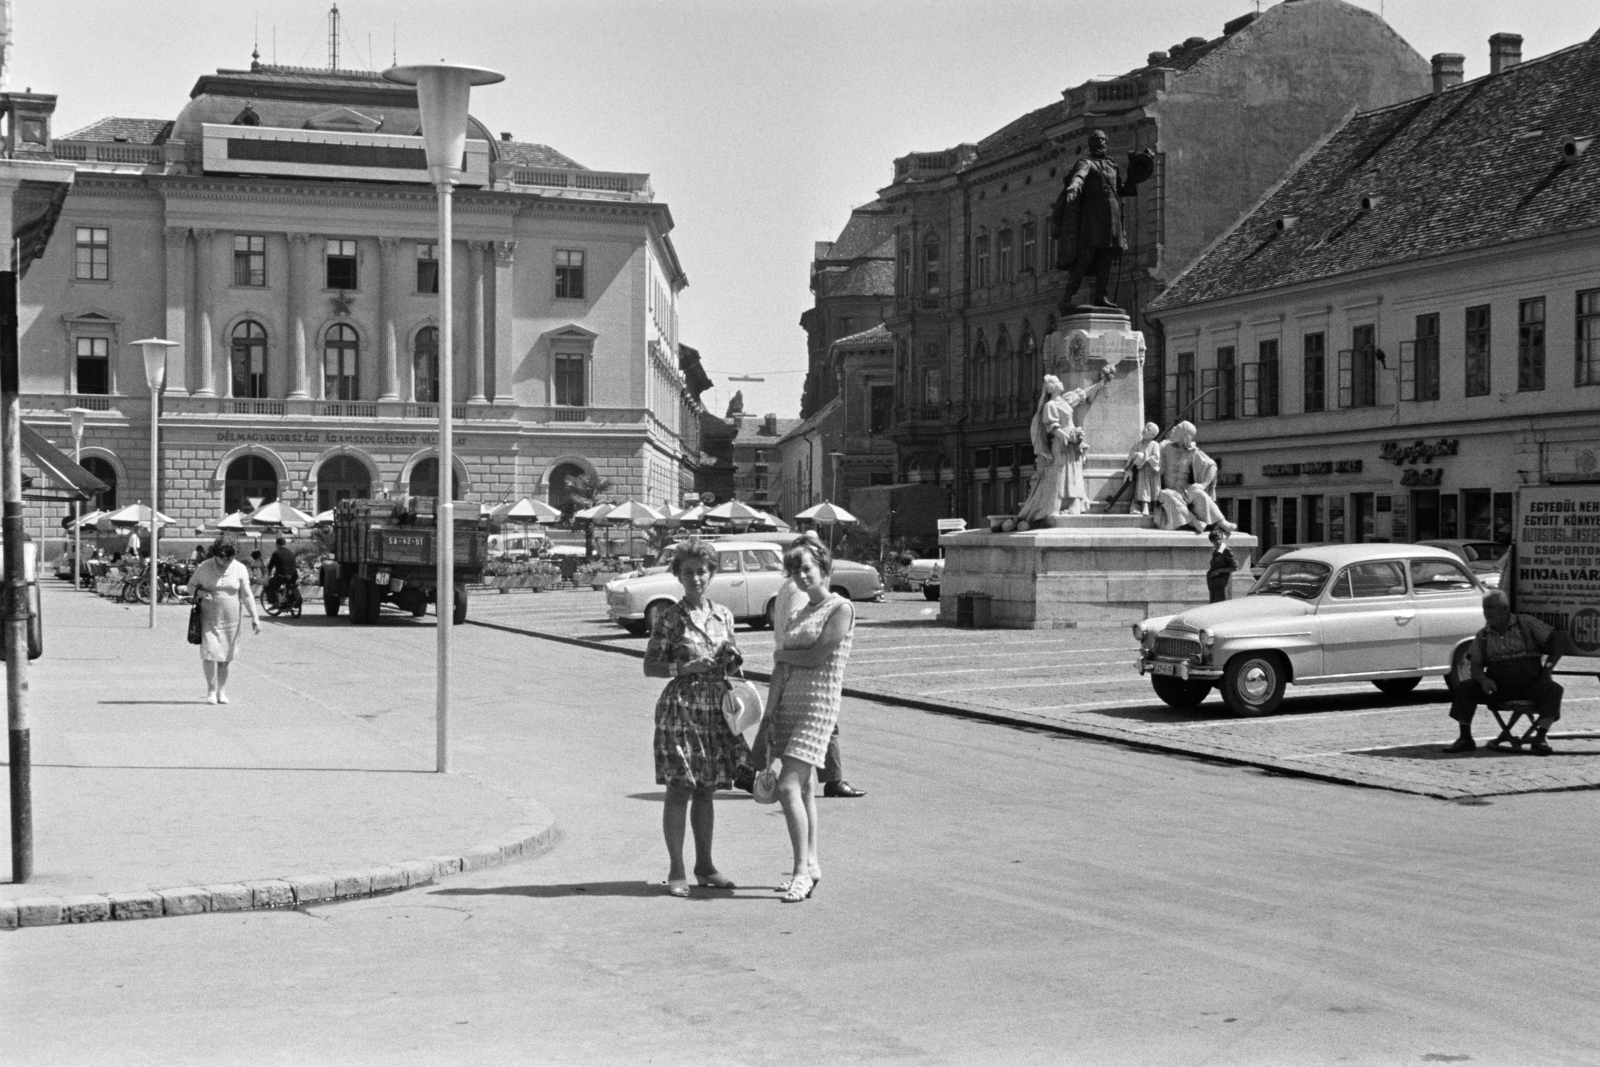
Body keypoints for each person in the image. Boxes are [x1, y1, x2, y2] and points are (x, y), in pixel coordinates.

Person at [643, 538, 749, 897]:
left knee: (706, 790)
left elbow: (731, 664)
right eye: (688, 572)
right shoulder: (670, 618)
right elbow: (650, 666)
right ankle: (676, 869)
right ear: (678, 575)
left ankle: (705, 866)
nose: (696, 578)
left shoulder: (724, 615)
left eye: (702, 571)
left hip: (715, 709)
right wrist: (685, 667)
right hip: (681, 710)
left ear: (711, 573)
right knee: (679, 788)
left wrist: (731, 661)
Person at [763, 532, 856, 903]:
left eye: (806, 569)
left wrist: (782, 655)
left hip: (818, 706)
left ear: (823, 567)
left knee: (787, 787)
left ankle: (800, 871)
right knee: (803, 790)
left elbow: (818, 656)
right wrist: (769, 715)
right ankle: (812, 864)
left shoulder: (841, 608)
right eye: (794, 571)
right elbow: (780, 668)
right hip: (789, 704)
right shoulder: (799, 612)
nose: (801, 577)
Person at [747, 575, 865, 799]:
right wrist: (785, 655)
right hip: (798, 671)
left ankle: (751, 770)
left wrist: (783, 655)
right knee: (793, 775)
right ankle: (832, 780)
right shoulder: (801, 590)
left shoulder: (790, 587)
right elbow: (804, 634)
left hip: (794, 668)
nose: (802, 573)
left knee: (792, 732)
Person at [1446, 590, 1567, 755]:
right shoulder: (1483, 635)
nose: (1486, 612)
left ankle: (1540, 738)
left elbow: (1557, 639)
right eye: (1484, 608)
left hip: (1530, 685)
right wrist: (1483, 680)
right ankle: (1465, 738)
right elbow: (1475, 666)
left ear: (1504, 608)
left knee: (1554, 690)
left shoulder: (1525, 623)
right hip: (1499, 687)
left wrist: (1548, 668)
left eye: (1491, 607)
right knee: (1464, 688)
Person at [1051, 128, 1154, 311]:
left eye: (1103, 141)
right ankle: (1067, 296)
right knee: (1085, 257)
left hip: (1112, 218)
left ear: (1106, 143)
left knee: (1106, 259)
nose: (1100, 144)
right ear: (1091, 145)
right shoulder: (1086, 163)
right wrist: (1074, 186)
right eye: (1097, 141)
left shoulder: (1111, 165)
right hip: (1093, 219)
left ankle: (1101, 296)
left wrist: (1134, 175)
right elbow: (1079, 176)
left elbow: (1122, 189)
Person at [1015, 369, 1112, 524]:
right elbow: (1051, 427)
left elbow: (1082, 395)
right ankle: (1055, 506)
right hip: (1061, 442)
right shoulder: (1050, 405)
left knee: (1073, 473)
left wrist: (1099, 385)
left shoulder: (1065, 401)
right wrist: (1065, 436)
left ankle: (1074, 504)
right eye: (1058, 382)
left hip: (1073, 442)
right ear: (1052, 387)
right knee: (1060, 474)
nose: (1061, 383)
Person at [186, 538, 261, 705]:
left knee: (225, 657)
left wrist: (255, 617)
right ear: (216, 555)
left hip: (231, 619)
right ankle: (211, 690)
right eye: (224, 558)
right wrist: (201, 593)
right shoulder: (204, 567)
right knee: (209, 654)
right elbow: (190, 586)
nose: (228, 561)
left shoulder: (239, 568)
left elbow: (246, 594)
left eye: (231, 558)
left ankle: (222, 691)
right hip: (209, 618)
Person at [1153, 421, 1235, 535]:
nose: (1173, 429)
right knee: (1166, 495)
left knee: (1199, 493)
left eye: (1178, 428)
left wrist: (1203, 485)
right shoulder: (1163, 446)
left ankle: (1222, 522)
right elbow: (1152, 459)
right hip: (1167, 490)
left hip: (1185, 490)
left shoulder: (1192, 451)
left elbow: (1212, 466)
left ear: (1185, 436)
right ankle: (1194, 522)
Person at [1125, 422, 1162, 516]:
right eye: (1145, 427)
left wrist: (1145, 457)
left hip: (1152, 470)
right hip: (1142, 470)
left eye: (1148, 429)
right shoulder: (1138, 444)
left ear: (1153, 435)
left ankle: (1154, 507)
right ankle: (1145, 506)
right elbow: (1131, 456)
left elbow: (1156, 457)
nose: (1145, 430)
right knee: (1143, 487)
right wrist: (1129, 469)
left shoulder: (1154, 444)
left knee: (1154, 489)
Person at [1206, 529, 1238, 603]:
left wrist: (1219, 571)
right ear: (1211, 541)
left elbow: (1234, 567)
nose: (1218, 541)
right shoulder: (1215, 552)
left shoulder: (1226, 550)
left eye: (1219, 539)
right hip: (1214, 587)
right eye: (1215, 540)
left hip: (1224, 586)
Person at [265, 536, 298, 606]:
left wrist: (268, 574)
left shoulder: (276, 553)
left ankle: (275, 603)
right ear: (285, 543)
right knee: (288, 585)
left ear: (277, 544)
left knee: (268, 586)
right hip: (293, 576)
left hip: (282, 576)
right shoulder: (290, 552)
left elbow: (271, 565)